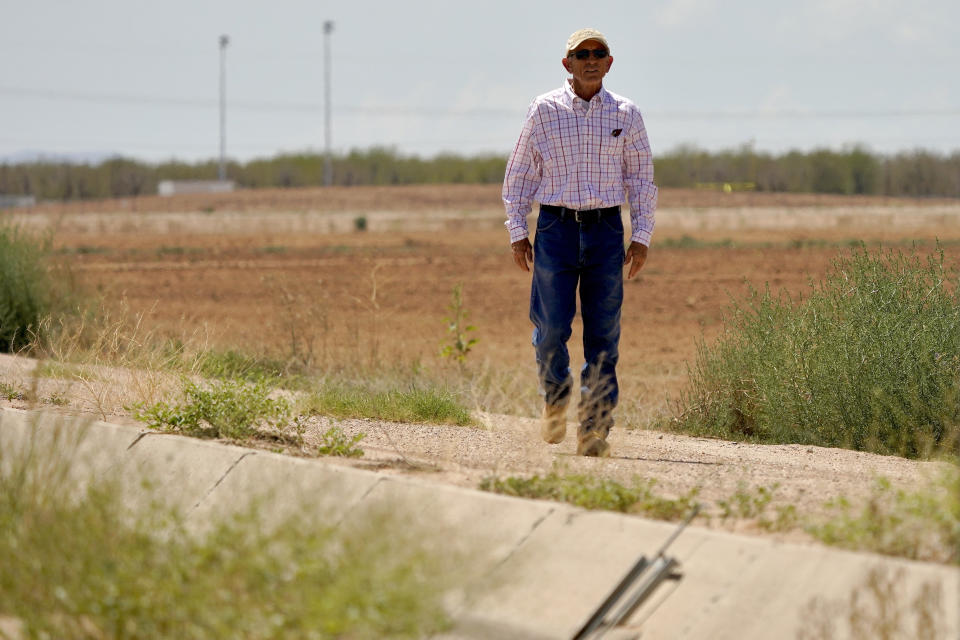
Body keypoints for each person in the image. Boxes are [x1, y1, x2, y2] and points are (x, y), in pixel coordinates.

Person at [502, 28, 657, 457]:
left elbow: (641, 179)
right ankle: (555, 397)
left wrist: (641, 237)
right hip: (556, 230)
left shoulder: (627, 114)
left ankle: (594, 430)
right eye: (581, 53)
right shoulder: (544, 110)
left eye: (598, 53)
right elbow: (520, 173)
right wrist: (518, 230)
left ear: (610, 62)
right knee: (551, 329)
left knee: (604, 336)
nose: (590, 59)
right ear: (566, 63)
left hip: (607, 231)